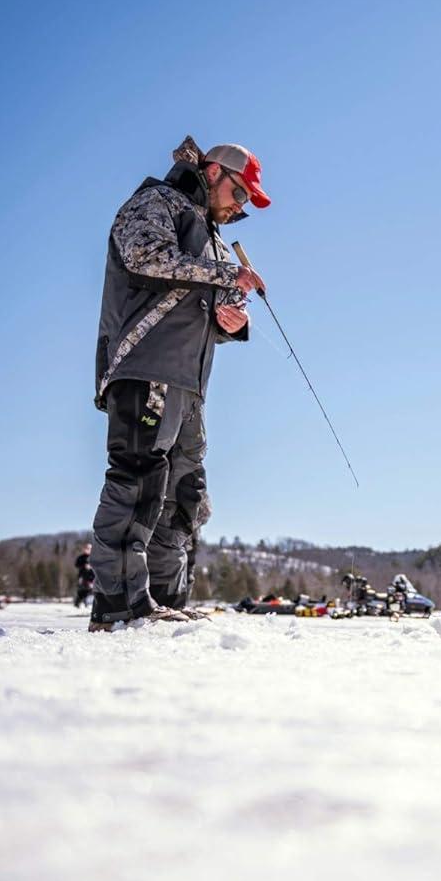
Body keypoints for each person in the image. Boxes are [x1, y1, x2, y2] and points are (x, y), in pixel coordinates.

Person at [87, 136, 270, 631]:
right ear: (213, 173)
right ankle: (119, 604)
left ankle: (166, 598)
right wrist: (227, 274)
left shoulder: (211, 235)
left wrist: (232, 322)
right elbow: (145, 257)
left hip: (189, 385)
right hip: (146, 367)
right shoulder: (156, 202)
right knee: (138, 480)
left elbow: (199, 304)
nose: (239, 208)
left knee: (185, 492)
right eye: (239, 193)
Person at [73, 543, 94, 608]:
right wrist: (84, 566)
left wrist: (92, 567)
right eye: (87, 548)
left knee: (91, 590)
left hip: (92, 576)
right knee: (82, 590)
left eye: (90, 548)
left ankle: (87, 602)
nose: (88, 549)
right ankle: (78, 602)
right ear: (84, 549)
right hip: (83, 576)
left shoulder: (94, 557)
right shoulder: (81, 557)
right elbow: (76, 565)